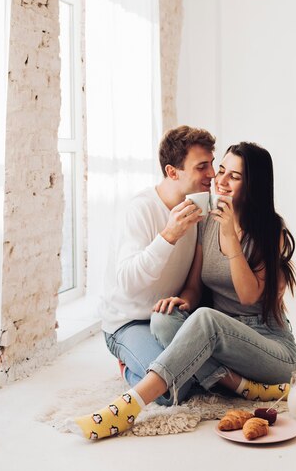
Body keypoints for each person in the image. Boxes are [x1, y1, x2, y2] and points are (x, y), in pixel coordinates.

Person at [71, 142, 296, 440]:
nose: (221, 181)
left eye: (235, 176)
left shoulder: (272, 230)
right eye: (221, 171)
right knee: (164, 318)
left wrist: (231, 238)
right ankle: (239, 385)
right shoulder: (207, 221)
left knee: (205, 320)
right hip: (223, 344)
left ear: (254, 183)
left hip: (269, 346)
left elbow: (248, 297)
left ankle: (130, 405)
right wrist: (183, 301)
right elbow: (195, 285)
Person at [99, 125, 216, 405]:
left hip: (166, 320)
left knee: (197, 372)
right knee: (172, 390)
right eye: (202, 167)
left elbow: (192, 286)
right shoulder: (141, 209)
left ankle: (153, 364)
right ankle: (128, 367)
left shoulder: (198, 207)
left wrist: (183, 302)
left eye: (212, 164)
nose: (212, 174)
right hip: (128, 322)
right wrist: (169, 235)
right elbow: (127, 281)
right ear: (172, 172)